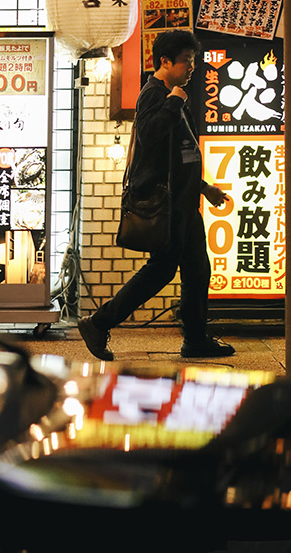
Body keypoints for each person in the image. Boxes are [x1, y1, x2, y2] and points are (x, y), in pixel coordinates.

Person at [78, 29, 236, 360]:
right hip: (169, 204)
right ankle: (99, 322)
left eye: (193, 61)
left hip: (184, 201)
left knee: (197, 270)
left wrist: (203, 187)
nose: (192, 67)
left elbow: (181, 151)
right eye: (186, 62)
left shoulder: (172, 92)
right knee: (161, 270)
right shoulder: (154, 93)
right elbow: (149, 135)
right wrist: (174, 101)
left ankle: (195, 338)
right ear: (165, 61)